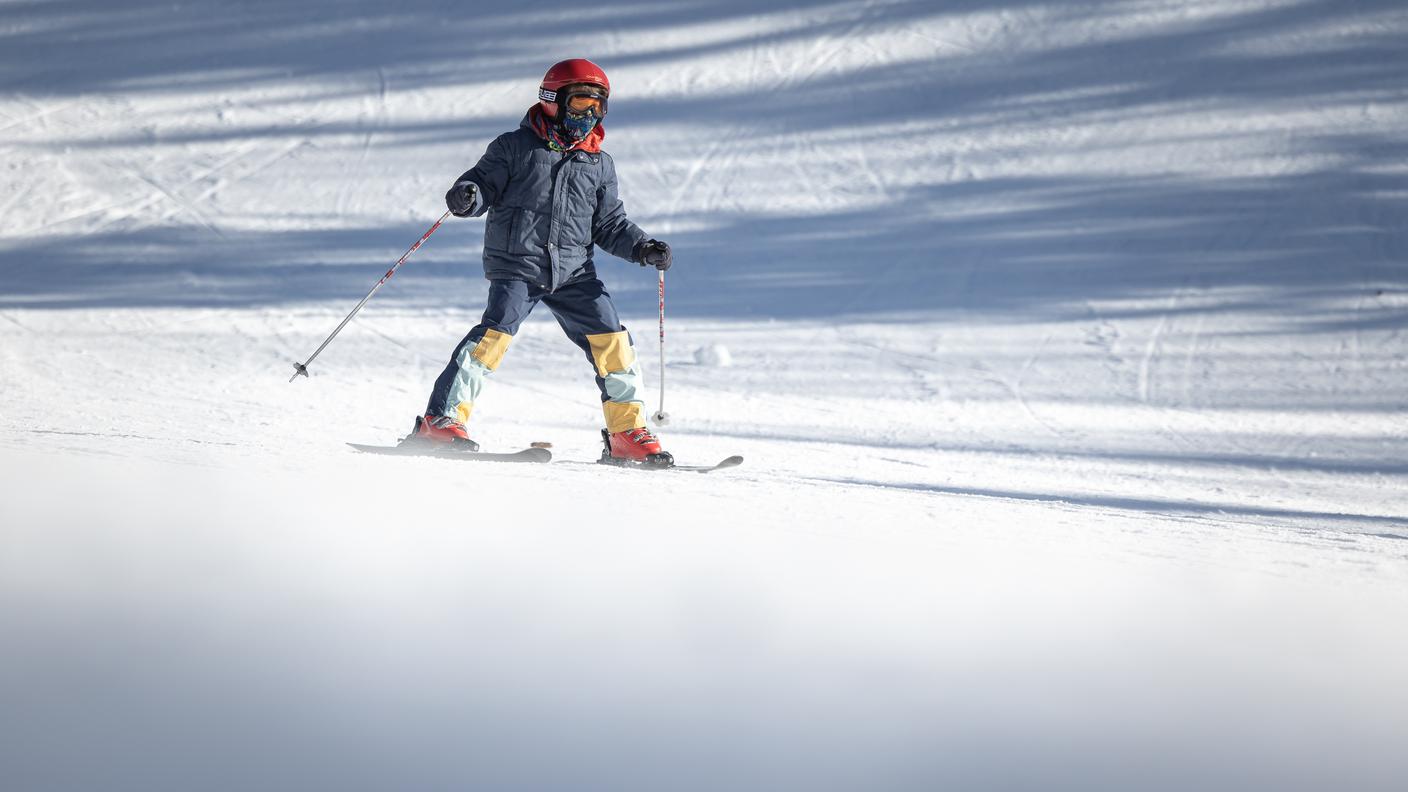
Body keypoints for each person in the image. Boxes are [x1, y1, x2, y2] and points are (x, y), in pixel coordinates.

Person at [412, 58, 674, 465]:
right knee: (492, 338)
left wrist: (641, 247)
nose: (589, 115)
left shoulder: (599, 164)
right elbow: (479, 184)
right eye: (581, 102)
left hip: (574, 271)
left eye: (598, 107)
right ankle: (440, 420)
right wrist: (467, 195)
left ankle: (625, 433)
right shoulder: (514, 148)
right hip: (518, 264)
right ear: (553, 100)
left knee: (614, 343)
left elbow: (609, 223)